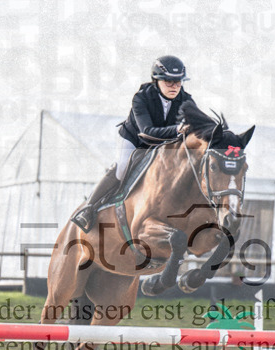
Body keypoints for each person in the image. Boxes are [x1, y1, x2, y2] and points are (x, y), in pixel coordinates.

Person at [71, 55, 194, 232]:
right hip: (135, 140)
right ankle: (88, 208)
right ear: (156, 81)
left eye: (178, 82)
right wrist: (178, 129)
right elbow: (147, 132)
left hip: (164, 146)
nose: (174, 86)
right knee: (121, 167)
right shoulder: (141, 98)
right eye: (168, 81)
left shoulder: (187, 100)